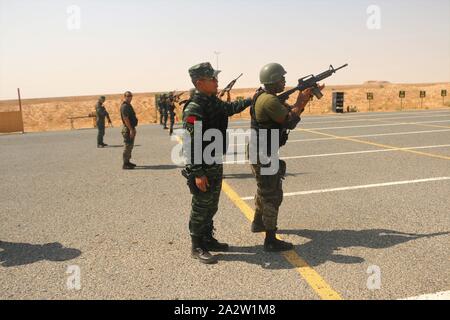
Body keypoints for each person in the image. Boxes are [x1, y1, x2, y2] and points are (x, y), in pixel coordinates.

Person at [182, 62, 252, 264]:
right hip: (202, 165)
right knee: (201, 206)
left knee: (211, 204)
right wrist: (197, 173)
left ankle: (207, 238)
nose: (216, 80)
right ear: (199, 82)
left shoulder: (211, 101)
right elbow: (190, 144)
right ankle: (197, 246)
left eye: (215, 77)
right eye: (211, 78)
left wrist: (250, 99)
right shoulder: (194, 108)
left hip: (213, 161)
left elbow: (229, 109)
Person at [249, 63, 324, 252]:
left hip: (261, 150)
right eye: (281, 78)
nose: (284, 81)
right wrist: (301, 100)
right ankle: (270, 239)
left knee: (264, 188)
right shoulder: (269, 101)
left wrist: (304, 99)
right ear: (273, 80)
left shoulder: (267, 97)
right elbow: (289, 121)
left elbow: (288, 111)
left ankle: (259, 223)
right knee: (272, 194)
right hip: (263, 153)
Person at [120, 91, 138, 170]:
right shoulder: (124, 106)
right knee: (127, 146)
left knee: (130, 146)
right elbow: (126, 119)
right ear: (124, 96)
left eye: (130, 96)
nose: (129, 97)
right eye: (127, 96)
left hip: (130, 127)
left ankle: (128, 162)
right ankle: (125, 163)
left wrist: (133, 129)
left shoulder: (128, 105)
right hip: (128, 128)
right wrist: (131, 129)